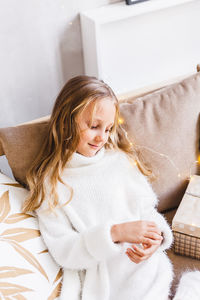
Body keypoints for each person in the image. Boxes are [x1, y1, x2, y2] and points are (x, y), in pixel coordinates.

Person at [22, 75, 173, 300]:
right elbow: (64, 250)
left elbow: (148, 212)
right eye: (94, 126)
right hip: (108, 283)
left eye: (108, 128)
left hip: (148, 270)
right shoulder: (52, 184)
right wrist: (115, 233)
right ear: (66, 122)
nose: (102, 137)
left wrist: (157, 239)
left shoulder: (120, 161)